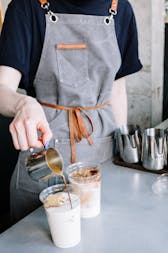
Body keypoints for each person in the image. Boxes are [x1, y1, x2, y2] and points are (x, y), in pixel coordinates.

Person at [0, 0, 142, 222]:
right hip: (44, 159)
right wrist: (22, 104)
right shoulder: (26, 6)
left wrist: (124, 150)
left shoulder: (121, 9)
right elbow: (2, 88)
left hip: (104, 156)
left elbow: (117, 90)